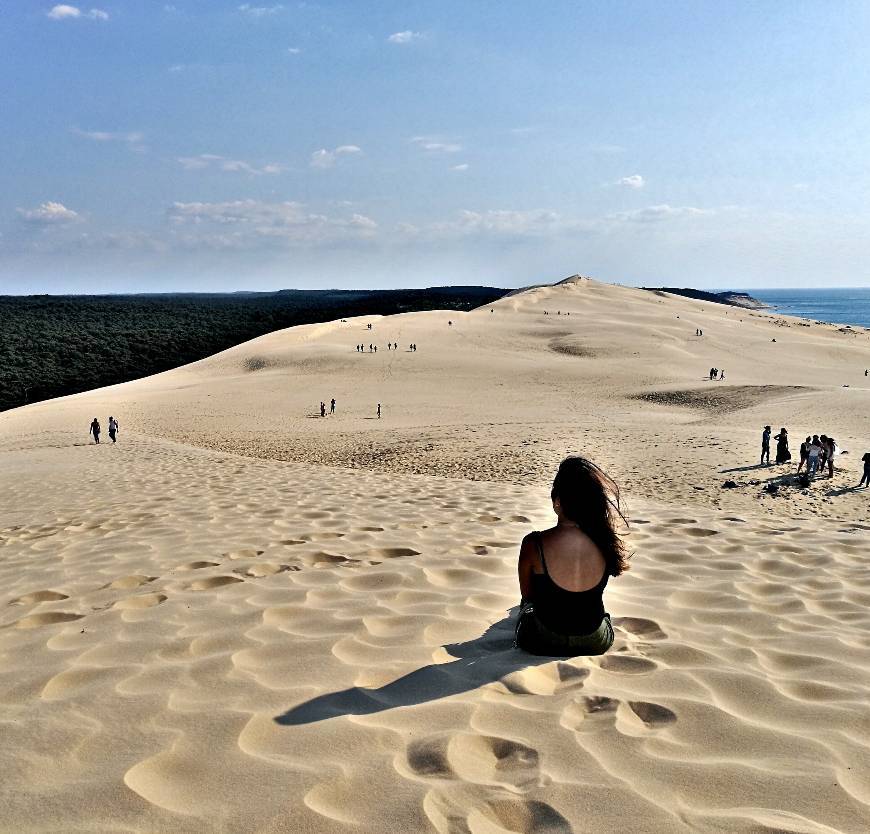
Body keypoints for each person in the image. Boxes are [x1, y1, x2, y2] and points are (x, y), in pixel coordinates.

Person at [514, 457, 629, 656]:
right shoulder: (604, 541)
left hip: (543, 640)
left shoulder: (534, 544)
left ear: (557, 502)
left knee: (526, 612)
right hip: (594, 641)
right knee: (603, 616)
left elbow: (527, 596)